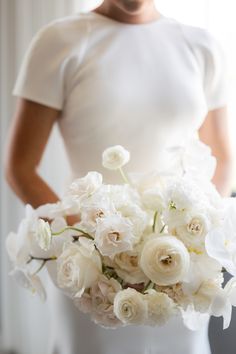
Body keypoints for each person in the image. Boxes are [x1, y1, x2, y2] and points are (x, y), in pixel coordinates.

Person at [4, 0, 233, 353]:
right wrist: (84, 239)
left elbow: (221, 158)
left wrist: (195, 239)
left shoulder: (201, 46)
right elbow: (19, 165)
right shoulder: (59, 40)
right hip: (91, 268)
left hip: (176, 266)